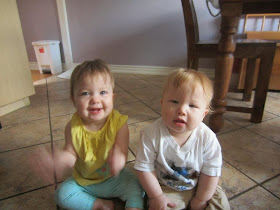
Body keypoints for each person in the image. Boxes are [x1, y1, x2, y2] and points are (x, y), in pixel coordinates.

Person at [32, 59, 144, 210]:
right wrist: (59, 159)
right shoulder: (72, 127)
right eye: (85, 93)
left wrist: (119, 157)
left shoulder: (119, 123)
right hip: (84, 181)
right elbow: (71, 154)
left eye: (103, 92)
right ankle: (99, 204)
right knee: (62, 195)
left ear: (113, 97)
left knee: (137, 186)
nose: (95, 99)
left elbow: (122, 150)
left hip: (115, 179)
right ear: (74, 100)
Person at [134, 69, 230, 210]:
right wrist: (156, 196)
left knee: (220, 204)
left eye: (192, 105)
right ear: (162, 104)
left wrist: (201, 199)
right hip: (165, 187)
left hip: (202, 185)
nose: (182, 110)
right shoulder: (150, 134)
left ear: (203, 114)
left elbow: (211, 172)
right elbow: (144, 169)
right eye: (174, 101)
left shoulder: (208, 138)